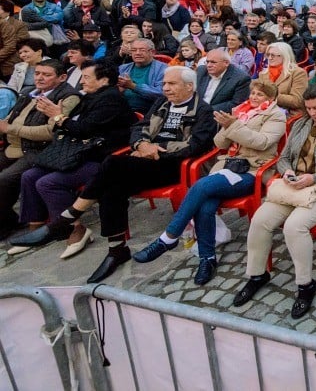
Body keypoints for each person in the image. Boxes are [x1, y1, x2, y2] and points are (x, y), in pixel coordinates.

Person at [11, 66, 217, 283]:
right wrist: (141, 144)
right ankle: (116, 249)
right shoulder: (161, 103)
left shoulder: (203, 111)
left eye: (172, 84)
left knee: (111, 163)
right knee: (112, 187)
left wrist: (155, 150)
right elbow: (139, 127)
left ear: (189, 86)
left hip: (172, 165)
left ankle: (66, 219)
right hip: (142, 160)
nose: (165, 88)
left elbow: (195, 146)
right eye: (164, 83)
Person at [132, 80, 286, 284]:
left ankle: (169, 237)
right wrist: (226, 126)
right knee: (205, 205)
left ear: (271, 98)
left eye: (260, 95)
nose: (254, 98)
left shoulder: (276, 116)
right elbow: (219, 143)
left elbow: (262, 143)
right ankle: (207, 258)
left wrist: (234, 125)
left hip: (252, 170)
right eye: (253, 93)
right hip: (227, 167)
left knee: (200, 186)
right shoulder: (241, 111)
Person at [231, 85, 316, 318]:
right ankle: (257, 274)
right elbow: (284, 158)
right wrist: (288, 171)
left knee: (294, 226)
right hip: (292, 188)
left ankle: (305, 284)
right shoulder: (301, 123)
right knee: (259, 219)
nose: (313, 113)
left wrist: (314, 177)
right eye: (309, 108)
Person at [13, 62, 135, 259]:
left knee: (47, 182)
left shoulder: (110, 99)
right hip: (77, 152)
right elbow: (67, 127)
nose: (82, 81)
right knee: (29, 175)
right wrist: (58, 117)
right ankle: (35, 227)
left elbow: (84, 129)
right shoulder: (87, 97)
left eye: (86, 77)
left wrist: (58, 116)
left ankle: (75, 229)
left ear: (103, 80)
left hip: (101, 158)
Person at [0, 59, 82, 240]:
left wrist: (11, 129)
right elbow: (10, 119)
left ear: (61, 77)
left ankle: (4, 225)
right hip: (14, 146)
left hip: (40, 150)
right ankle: (9, 218)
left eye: (46, 75)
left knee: (4, 179)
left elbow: (50, 132)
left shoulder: (67, 97)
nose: (40, 78)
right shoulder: (30, 93)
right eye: (37, 74)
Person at [117, 38, 168, 113]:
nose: (137, 53)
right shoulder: (123, 68)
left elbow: (162, 95)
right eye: (134, 50)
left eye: (142, 50)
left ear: (152, 52)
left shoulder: (163, 69)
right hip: (123, 108)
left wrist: (133, 86)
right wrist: (118, 90)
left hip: (150, 111)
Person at [195, 48, 251, 113]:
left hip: (217, 115)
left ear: (226, 63)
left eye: (213, 62)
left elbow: (236, 104)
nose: (209, 65)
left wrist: (207, 110)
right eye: (207, 62)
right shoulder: (201, 70)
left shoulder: (241, 78)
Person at [257, 41, 308, 112]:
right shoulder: (263, 74)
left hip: (287, 113)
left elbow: (297, 101)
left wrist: (271, 96)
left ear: (285, 56)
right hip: (264, 110)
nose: (269, 58)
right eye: (268, 55)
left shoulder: (298, 73)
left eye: (273, 55)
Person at [0, 0, 29, 82]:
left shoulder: (19, 24)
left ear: (7, 11)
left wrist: (5, 41)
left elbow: (22, 39)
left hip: (11, 60)